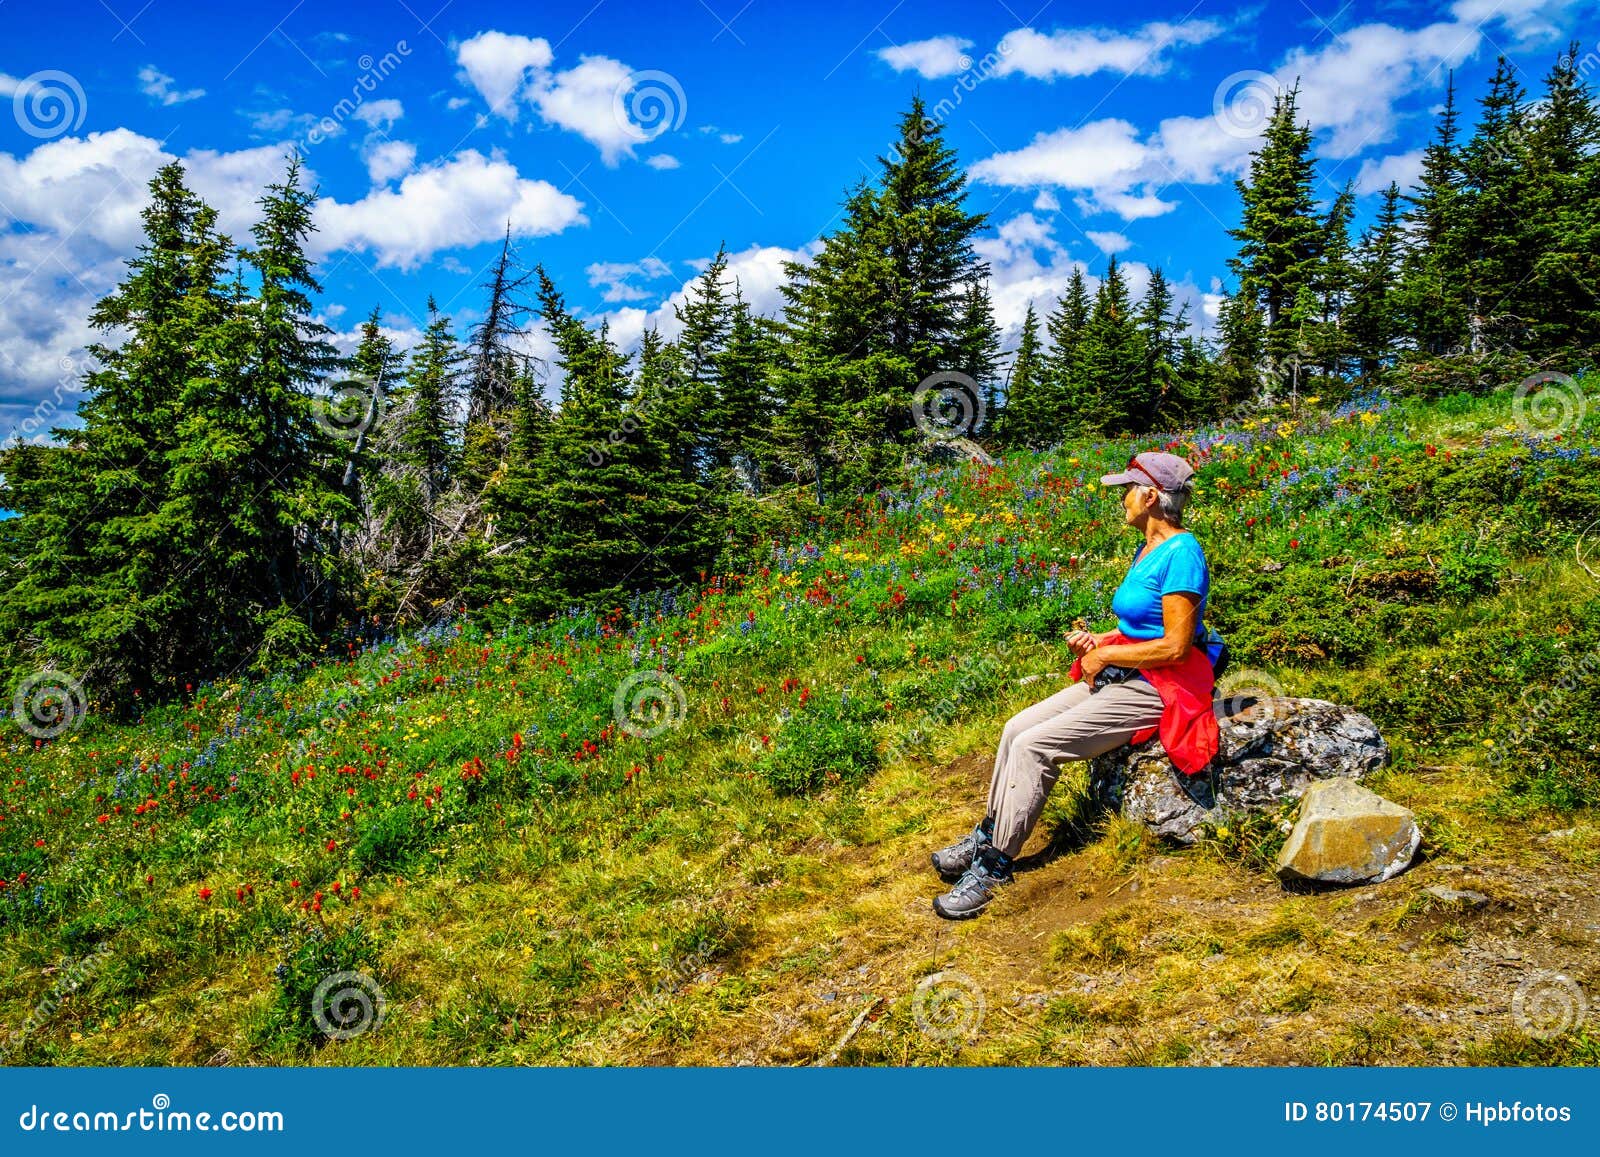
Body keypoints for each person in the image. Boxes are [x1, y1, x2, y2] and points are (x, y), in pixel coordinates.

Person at [929, 450, 1221, 919]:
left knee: (1035, 746)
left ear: (1150, 496)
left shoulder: (1183, 554)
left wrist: (1104, 654)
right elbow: (1144, 626)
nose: (1121, 499)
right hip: (1126, 672)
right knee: (1013, 729)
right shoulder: (1147, 547)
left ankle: (996, 865)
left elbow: (1175, 647)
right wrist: (1101, 639)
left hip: (1159, 687)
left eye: (1126, 489)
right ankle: (988, 831)